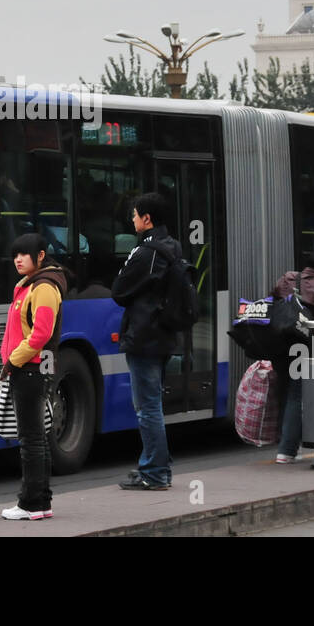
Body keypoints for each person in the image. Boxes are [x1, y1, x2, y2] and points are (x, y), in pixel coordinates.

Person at [111, 192, 181, 491]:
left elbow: (119, 291)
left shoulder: (144, 253)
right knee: (154, 405)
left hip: (143, 337)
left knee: (147, 408)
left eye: (135, 215)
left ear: (147, 219)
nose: (132, 220)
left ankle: (154, 473)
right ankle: (157, 468)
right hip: (164, 335)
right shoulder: (173, 247)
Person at [0, 233, 66, 520]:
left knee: (31, 438)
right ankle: (42, 501)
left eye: (24, 254)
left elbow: (41, 333)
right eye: (15, 254)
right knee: (37, 436)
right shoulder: (30, 285)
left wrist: (14, 360)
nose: (18, 259)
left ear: (40, 256)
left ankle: (31, 503)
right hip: (29, 367)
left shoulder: (44, 287)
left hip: (31, 369)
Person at [269, 248, 314, 464]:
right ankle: (287, 450)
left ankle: (288, 442)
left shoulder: (287, 279)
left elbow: (273, 304)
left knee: (284, 390)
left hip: (279, 344)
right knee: (297, 396)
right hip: (304, 348)